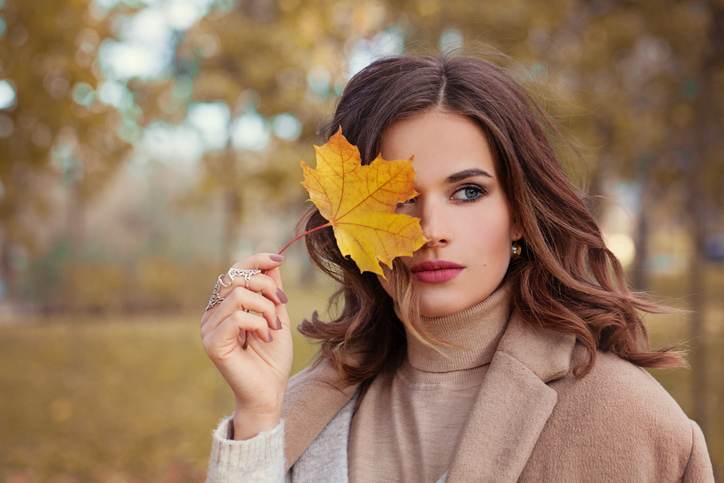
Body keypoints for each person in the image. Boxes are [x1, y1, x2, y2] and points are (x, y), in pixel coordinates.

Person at [199, 52, 716, 483]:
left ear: (518, 214)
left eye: (468, 192)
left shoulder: (630, 421)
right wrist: (258, 420)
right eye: (400, 199)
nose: (430, 228)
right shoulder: (300, 410)